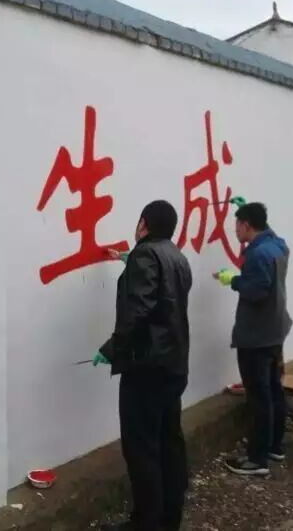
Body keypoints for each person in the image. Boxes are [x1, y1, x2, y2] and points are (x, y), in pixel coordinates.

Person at [94, 200, 193, 531]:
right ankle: (169, 518)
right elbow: (165, 298)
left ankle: (146, 523)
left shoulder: (145, 255)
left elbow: (138, 310)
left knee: (142, 449)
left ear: (143, 224)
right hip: (174, 365)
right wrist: (131, 262)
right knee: (169, 442)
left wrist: (112, 348)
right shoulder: (177, 257)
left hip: (147, 368)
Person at [213, 202, 291, 478]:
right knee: (274, 389)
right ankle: (274, 447)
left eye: (237, 224)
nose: (235, 230)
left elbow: (257, 291)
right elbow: (273, 242)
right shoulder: (277, 246)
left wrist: (232, 280)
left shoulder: (257, 254)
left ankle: (257, 459)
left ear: (246, 225)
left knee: (259, 397)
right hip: (275, 331)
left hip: (257, 336)